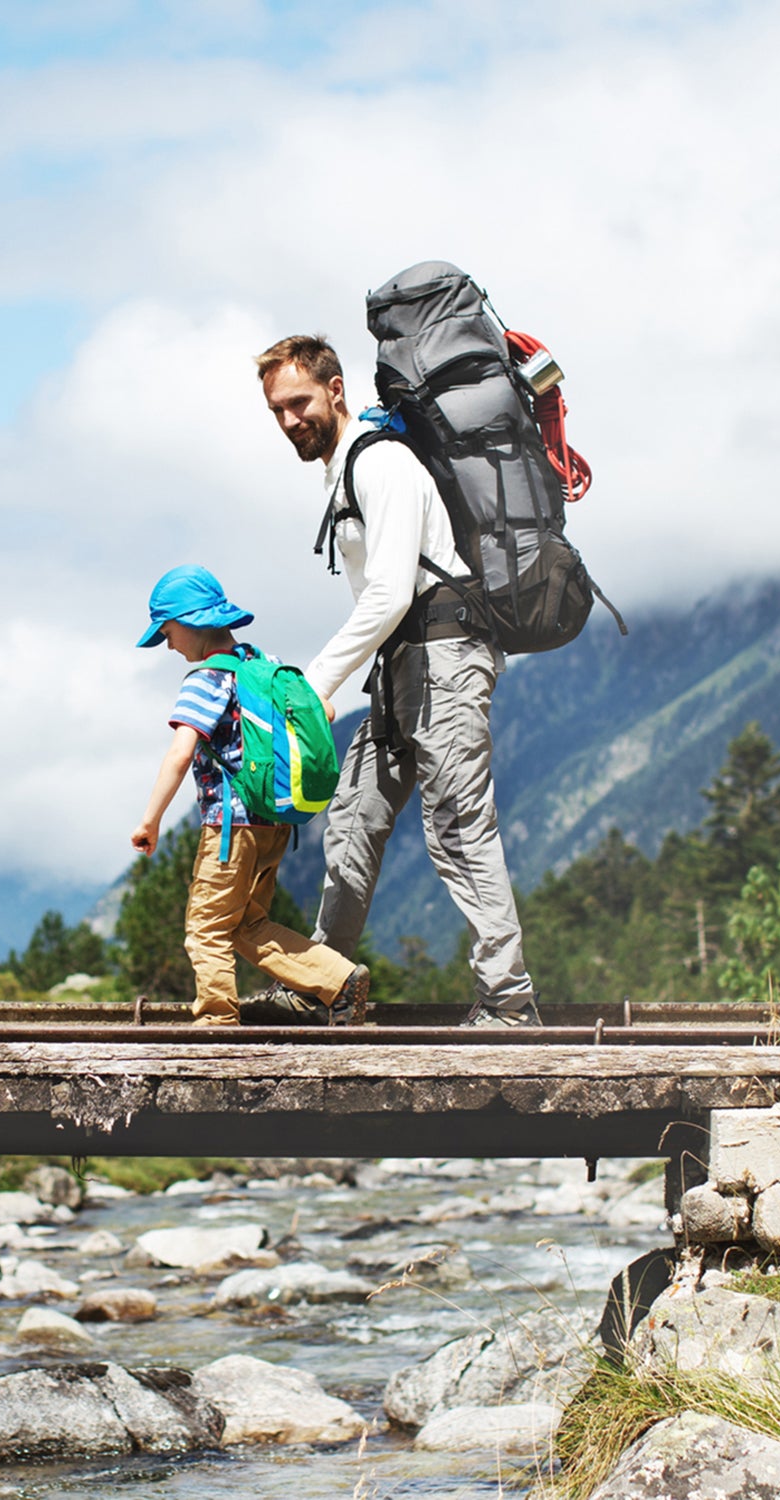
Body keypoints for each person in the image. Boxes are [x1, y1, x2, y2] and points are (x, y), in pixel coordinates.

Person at [255, 335, 541, 1027]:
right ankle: (323, 983)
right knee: (353, 818)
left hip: (444, 658)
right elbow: (386, 604)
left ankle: (508, 1004)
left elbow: (387, 593)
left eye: (299, 402)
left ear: (335, 390)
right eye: (277, 410)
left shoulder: (380, 462)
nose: (291, 420)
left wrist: (313, 685)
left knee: (457, 825)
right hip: (401, 664)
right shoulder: (348, 469)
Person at [130, 564, 371, 1027]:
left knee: (206, 926)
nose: (168, 643)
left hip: (230, 827)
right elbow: (324, 709)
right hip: (272, 823)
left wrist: (150, 820)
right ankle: (339, 980)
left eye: (167, 632)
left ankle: (216, 1023)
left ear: (189, 622)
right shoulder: (260, 668)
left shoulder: (206, 681)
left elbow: (180, 754)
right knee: (247, 925)